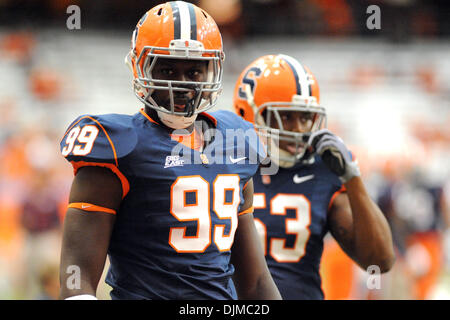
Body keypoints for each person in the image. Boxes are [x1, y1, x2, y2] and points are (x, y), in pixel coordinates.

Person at [58, 1, 281, 300]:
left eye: (194, 71)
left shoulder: (238, 140)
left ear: (211, 70)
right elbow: (77, 279)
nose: (182, 84)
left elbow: (255, 282)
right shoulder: (118, 145)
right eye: (167, 69)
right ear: (140, 66)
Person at [233, 54, 395, 299]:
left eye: (305, 117)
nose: (299, 129)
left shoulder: (323, 169)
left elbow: (380, 260)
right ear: (249, 114)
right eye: (286, 117)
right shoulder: (225, 163)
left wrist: (352, 177)